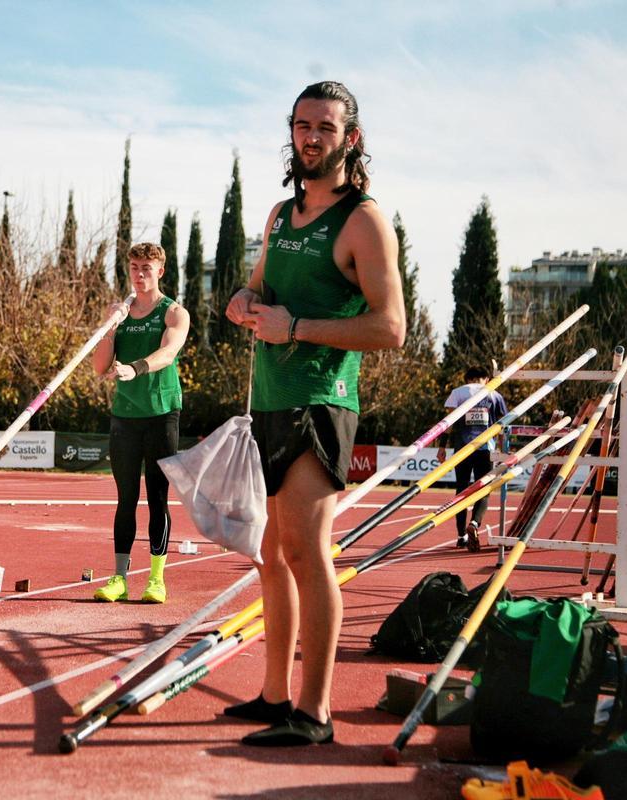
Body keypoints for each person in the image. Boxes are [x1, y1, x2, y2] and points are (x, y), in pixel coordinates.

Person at [224, 80, 405, 746]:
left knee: (306, 550)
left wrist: (295, 327)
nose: (310, 137)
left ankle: (315, 713)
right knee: (271, 553)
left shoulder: (363, 219)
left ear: (350, 139)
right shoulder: (279, 215)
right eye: (302, 125)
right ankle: (275, 697)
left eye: (325, 127)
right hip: (269, 400)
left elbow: (391, 329)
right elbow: (257, 288)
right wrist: (243, 304)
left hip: (322, 402)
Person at [91, 242, 190, 605]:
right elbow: (100, 367)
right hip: (125, 417)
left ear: (160, 271)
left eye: (146, 267)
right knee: (126, 498)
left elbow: (168, 353)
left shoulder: (174, 312)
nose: (139, 273)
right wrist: (108, 328)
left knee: (158, 497)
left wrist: (136, 368)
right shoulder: (117, 313)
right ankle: (119, 578)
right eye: (134, 266)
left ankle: (156, 579)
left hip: (162, 414)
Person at [436, 365, 508, 551]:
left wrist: (442, 446)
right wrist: (502, 449)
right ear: (485, 378)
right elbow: (503, 424)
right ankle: (474, 523)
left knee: (461, 490)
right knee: (483, 489)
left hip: (462, 449)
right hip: (485, 449)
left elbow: (448, 422)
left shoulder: (458, 393)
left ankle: (461, 536)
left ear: (467, 379)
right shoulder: (494, 393)